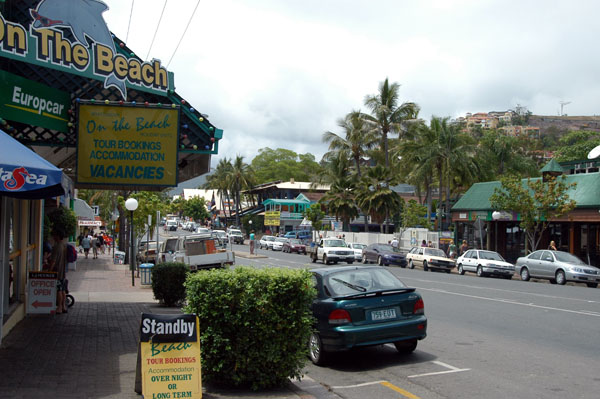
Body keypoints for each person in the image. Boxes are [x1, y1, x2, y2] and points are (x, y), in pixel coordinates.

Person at [49, 232, 68, 314]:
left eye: (54, 235)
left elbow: (53, 261)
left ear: (57, 236)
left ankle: (59, 307)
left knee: (58, 290)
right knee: (63, 290)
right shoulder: (64, 246)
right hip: (63, 271)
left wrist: (50, 270)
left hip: (57, 271)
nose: (53, 237)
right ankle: (63, 306)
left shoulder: (56, 247)